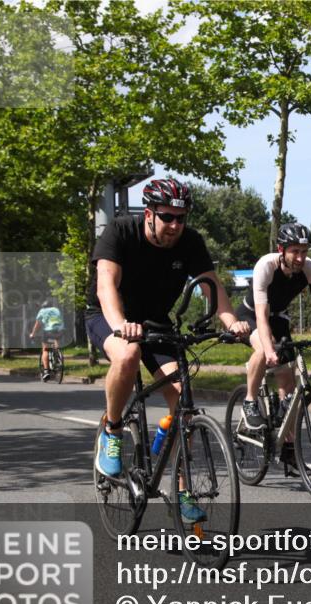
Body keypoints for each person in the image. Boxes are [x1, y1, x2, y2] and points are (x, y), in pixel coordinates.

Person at [86, 177, 250, 522]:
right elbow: (106, 286)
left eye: (181, 217)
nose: (175, 225)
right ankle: (113, 431)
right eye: (167, 217)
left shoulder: (190, 242)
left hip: (156, 322)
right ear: (149, 214)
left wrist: (231, 322)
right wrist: (120, 325)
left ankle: (181, 490)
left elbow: (212, 287)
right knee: (128, 355)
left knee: (183, 402)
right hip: (109, 316)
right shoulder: (120, 232)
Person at [234, 222, 311, 473]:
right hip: (252, 315)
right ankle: (250, 401)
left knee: (289, 385)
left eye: (304, 251)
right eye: (295, 251)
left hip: (279, 317)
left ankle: (288, 448)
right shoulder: (266, 266)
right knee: (264, 350)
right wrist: (270, 349)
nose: (300, 257)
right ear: (281, 249)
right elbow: (262, 318)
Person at [29, 299, 64, 381]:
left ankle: (46, 371)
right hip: (60, 330)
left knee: (45, 350)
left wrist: (33, 334)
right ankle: (57, 356)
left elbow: (37, 324)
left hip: (48, 332)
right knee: (56, 340)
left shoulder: (42, 311)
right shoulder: (56, 309)